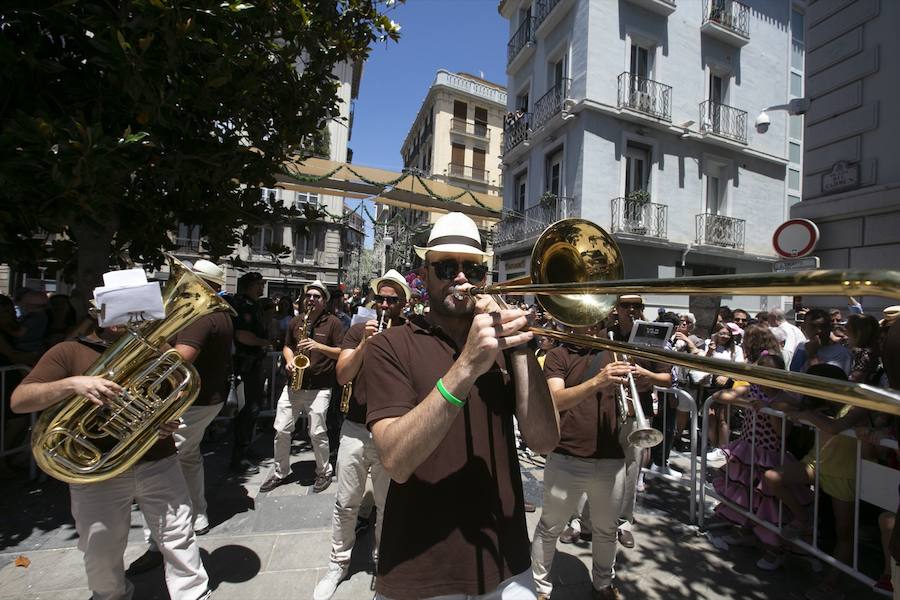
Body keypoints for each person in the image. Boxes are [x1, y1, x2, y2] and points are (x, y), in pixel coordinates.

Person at [357, 212, 559, 599]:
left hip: (505, 557)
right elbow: (395, 461)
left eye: (473, 269)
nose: (461, 278)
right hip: (421, 565)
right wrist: (466, 366)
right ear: (424, 274)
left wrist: (519, 349)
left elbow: (545, 442)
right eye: (447, 267)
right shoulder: (391, 345)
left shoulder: (503, 343)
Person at [10, 318, 210, 600]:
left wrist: (168, 419)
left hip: (157, 460)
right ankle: (110, 595)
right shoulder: (68, 351)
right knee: (100, 547)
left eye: (136, 312)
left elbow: (173, 397)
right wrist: (72, 384)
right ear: (99, 312)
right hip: (98, 469)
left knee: (178, 534)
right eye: (119, 311)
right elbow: (20, 399)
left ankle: (193, 594)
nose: (127, 319)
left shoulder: (157, 350)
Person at [128, 260, 235, 575]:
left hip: (191, 402)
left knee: (162, 466)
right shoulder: (221, 313)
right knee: (188, 457)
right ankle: (198, 513)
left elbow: (179, 360)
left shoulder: (199, 317)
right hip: (205, 399)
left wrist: (149, 342)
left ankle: (158, 540)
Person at [313, 270, 410, 600]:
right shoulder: (357, 331)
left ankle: (383, 563)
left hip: (392, 431)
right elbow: (342, 375)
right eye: (380, 299)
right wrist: (367, 342)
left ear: (403, 304)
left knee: (388, 505)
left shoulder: (411, 334)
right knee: (346, 501)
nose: (384, 305)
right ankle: (337, 563)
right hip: (355, 427)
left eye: (391, 300)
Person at [532, 325, 633, 600]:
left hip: (611, 459)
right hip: (567, 455)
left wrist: (640, 385)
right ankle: (541, 589)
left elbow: (635, 399)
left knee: (606, 530)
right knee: (550, 527)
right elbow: (556, 399)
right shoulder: (558, 355)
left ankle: (602, 584)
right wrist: (598, 381)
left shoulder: (616, 353)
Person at [710, 354, 813, 565]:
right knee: (748, 496)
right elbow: (722, 395)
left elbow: (781, 433)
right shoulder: (754, 390)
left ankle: (774, 550)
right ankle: (750, 535)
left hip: (769, 455)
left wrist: (770, 410)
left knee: (769, 503)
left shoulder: (784, 399)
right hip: (747, 451)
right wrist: (747, 401)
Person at [603, 294, 672, 549]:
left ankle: (623, 521)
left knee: (632, 469)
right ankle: (584, 519)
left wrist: (647, 374)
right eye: (625, 305)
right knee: (596, 463)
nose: (631, 310)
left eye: (636, 306)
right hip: (604, 407)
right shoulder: (604, 334)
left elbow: (667, 378)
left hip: (636, 409)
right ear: (616, 308)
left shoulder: (652, 336)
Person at [261, 280, 344, 493]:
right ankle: (280, 472)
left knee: (317, 431)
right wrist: (289, 360)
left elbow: (341, 351)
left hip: (320, 386)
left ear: (324, 301)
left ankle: (324, 471)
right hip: (294, 385)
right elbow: (287, 346)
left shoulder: (333, 323)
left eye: (317, 297)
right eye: (309, 296)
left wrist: (318, 346)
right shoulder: (297, 321)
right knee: (281, 429)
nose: (312, 300)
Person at [230, 271, 270, 474]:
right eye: (258, 284)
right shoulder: (242, 305)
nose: (261, 288)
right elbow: (242, 335)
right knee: (246, 411)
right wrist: (263, 342)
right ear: (248, 286)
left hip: (254, 365)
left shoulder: (253, 305)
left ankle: (245, 449)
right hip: (245, 366)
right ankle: (239, 458)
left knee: (252, 410)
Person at [789, 308, 852, 375]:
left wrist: (812, 356)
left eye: (823, 326)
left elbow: (824, 380)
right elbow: (793, 372)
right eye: (813, 326)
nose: (818, 331)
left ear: (830, 327)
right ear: (804, 327)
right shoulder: (801, 346)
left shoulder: (841, 354)